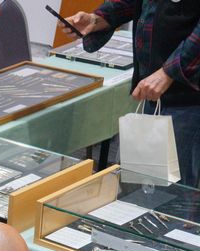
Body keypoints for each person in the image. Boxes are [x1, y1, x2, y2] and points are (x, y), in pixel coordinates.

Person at [64, 2, 200, 187]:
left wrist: (169, 72)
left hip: (188, 96)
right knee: (146, 183)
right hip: (154, 87)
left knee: (174, 192)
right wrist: (98, 19)